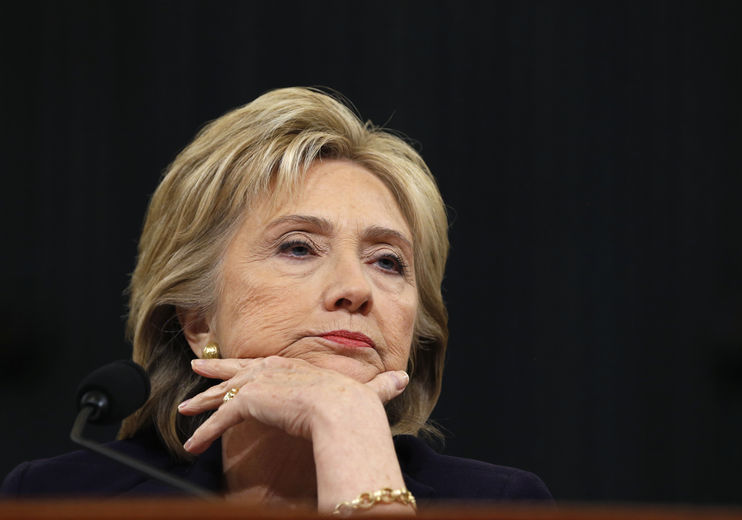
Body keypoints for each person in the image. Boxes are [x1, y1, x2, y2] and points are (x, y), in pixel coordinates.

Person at [1, 88, 552, 512]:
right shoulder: (63, 497)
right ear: (196, 320)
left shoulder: (500, 506)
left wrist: (347, 427)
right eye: (297, 248)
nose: (355, 289)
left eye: (388, 261)